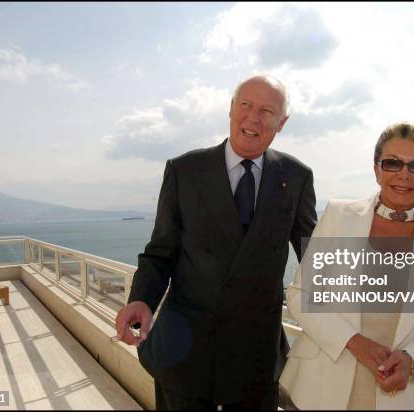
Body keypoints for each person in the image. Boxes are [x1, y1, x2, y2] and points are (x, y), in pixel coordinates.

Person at [115, 75, 317, 410]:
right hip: (184, 351)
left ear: (282, 122)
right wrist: (141, 299)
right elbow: (160, 252)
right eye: (246, 105)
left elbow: (314, 256)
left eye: (267, 110)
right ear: (231, 108)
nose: (253, 117)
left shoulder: (296, 177)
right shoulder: (185, 170)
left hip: (255, 356)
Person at [280, 122, 414, 410]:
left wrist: (412, 360)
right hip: (321, 387)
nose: (404, 174)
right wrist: (354, 342)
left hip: (398, 392)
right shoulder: (340, 215)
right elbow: (300, 295)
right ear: (377, 169)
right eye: (392, 163)